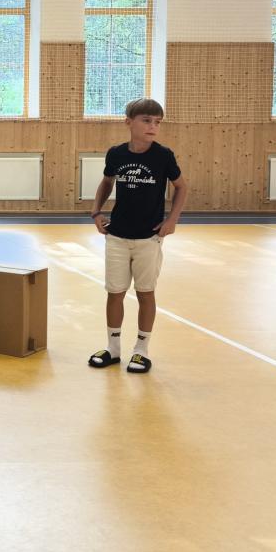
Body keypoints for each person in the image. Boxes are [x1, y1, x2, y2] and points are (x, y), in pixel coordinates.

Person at [88, 98, 189, 374]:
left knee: (145, 293)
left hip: (149, 238)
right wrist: (96, 212)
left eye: (157, 122)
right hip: (117, 236)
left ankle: (141, 351)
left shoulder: (163, 156)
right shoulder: (116, 154)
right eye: (146, 120)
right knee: (115, 293)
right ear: (128, 122)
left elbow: (181, 187)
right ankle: (113, 349)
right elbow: (107, 182)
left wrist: (172, 219)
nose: (152, 126)